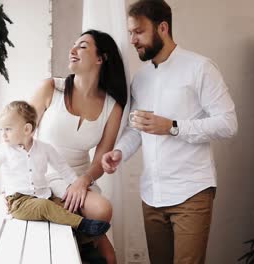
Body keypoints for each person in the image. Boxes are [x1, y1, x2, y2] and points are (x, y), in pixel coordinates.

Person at [101, 1, 238, 263]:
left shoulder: (200, 68)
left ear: (162, 27)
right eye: (130, 33)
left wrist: (173, 127)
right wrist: (119, 152)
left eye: (138, 32)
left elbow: (228, 123)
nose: (132, 40)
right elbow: (136, 129)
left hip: (192, 193)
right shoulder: (140, 79)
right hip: (151, 195)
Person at [31, 30, 127, 264]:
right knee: (105, 242)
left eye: (82, 46)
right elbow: (20, 136)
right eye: (73, 45)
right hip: (44, 175)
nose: (72, 51)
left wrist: (82, 182)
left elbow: (100, 160)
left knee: (105, 222)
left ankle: (73, 224)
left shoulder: (112, 106)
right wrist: (14, 185)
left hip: (79, 178)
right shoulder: (50, 88)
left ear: (100, 58)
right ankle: (73, 225)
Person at [0, 101, 111, 236]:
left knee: (67, 207)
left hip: (45, 195)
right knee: (45, 207)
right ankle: (83, 225)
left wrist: (76, 184)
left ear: (27, 129)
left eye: (8, 129)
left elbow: (63, 168)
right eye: (1, 129)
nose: (3, 134)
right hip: (19, 202)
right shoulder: (3, 150)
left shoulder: (44, 148)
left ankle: (85, 244)